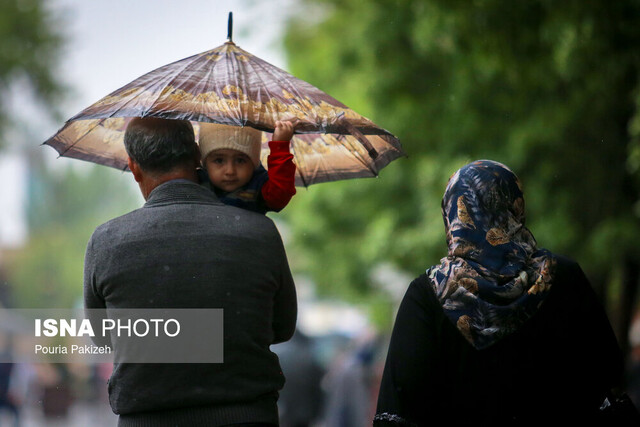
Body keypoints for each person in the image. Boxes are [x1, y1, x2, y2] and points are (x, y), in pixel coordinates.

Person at [373, 160, 624, 426]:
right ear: (515, 206)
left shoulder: (428, 294)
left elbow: (400, 401)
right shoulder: (563, 277)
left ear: (451, 214)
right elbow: (608, 371)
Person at [84, 117, 297, 427]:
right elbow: (281, 327)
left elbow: (103, 339)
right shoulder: (260, 233)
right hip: (247, 416)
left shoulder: (106, 241)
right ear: (198, 155)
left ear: (134, 166)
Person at [198, 120, 297, 214]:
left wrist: (280, 147)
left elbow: (280, 195)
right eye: (219, 160)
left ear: (254, 163)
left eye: (240, 161)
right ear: (205, 163)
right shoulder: (196, 182)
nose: (230, 171)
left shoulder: (259, 185)